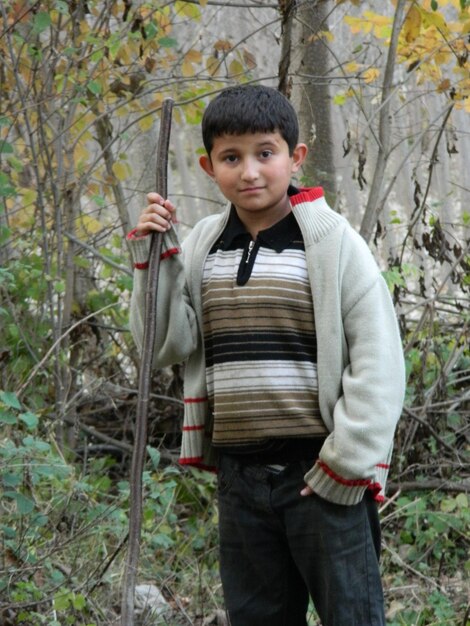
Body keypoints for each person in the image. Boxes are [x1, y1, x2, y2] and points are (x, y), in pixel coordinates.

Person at [128, 84, 406, 626]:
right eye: (232, 158)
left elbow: (377, 359)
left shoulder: (332, 241)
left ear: (294, 157)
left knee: (353, 616)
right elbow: (164, 345)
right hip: (241, 481)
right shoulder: (205, 244)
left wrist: (345, 464)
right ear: (210, 167)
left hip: (322, 476)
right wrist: (155, 257)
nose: (250, 171)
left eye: (265, 153)